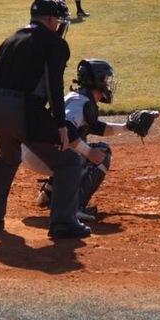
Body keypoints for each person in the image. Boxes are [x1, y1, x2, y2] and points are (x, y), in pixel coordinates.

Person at [0, 0, 92, 239]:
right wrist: (60, 125)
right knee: (69, 162)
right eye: (57, 20)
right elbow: (54, 85)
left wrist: (3, 106)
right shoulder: (54, 44)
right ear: (50, 20)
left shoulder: (11, 39)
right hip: (25, 111)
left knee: (7, 158)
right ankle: (63, 223)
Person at [25, 59, 139, 222]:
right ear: (97, 81)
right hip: (40, 154)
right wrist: (89, 153)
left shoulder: (80, 99)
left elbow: (97, 127)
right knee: (101, 153)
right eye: (106, 79)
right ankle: (74, 208)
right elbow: (67, 128)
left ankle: (49, 194)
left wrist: (127, 127)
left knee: (80, 143)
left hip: (36, 150)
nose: (108, 84)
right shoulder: (81, 102)